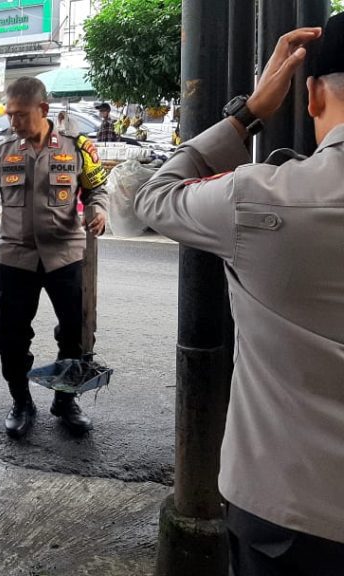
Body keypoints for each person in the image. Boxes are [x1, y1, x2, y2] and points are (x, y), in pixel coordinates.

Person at [134, 21, 344, 574]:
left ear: (313, 92)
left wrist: (248, 112)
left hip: (287, 511)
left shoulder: (258, 196)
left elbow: (153, 195)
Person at [0, 77, 108, 439]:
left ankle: (65, 400)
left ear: (43, 110)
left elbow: (97, 186)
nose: (14, 123)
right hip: (15, 259)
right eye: (9, 115)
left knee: (76, 335)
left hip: (66, 256)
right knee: (9, 337)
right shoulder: (2, 152)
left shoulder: (77, 148)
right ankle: (21, 401)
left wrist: (98, 211)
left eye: (20, 115)